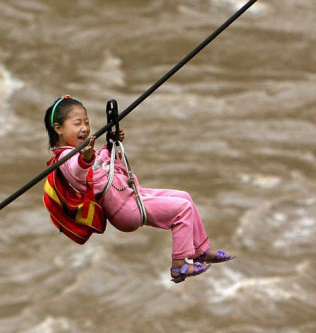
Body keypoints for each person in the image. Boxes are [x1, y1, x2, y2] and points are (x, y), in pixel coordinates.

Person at [45, 95, 234, 283]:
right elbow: (77, 170)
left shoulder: (82, 149)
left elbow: (101, 162)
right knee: (181, 210)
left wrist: (109, 145)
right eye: (77, 123)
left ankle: (200, 251)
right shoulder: (66, 158)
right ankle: (179, 264)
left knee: (185, 197)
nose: (85, 128)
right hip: (123, 208)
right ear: (59, 129)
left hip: (130, 194)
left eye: (86, 122)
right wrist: (85, 158)